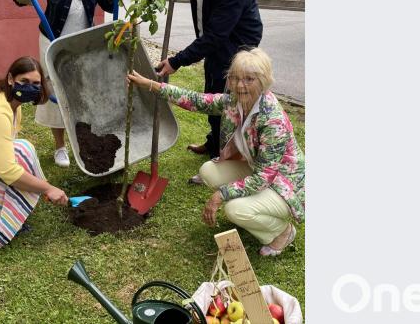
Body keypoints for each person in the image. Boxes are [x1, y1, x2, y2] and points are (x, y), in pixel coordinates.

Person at [128, 48, 304, 256]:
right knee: (208, 171)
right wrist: (151, 85)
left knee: (234, 210)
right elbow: (196, 100)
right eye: (235, 78)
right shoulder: (235, 102)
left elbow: (262, 179)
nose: (240, 85)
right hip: (258, 170)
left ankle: (282, 231)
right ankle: (255, 209)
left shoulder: (272, 121)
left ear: (264, 81)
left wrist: (221, 194)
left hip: (285, 185)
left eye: (249, 79)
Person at [161, 0, 263, 162]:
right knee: (212, 86)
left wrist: (176, 61)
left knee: (226, 98)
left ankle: (226, 156)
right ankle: (213, 141)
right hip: (215, 36)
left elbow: (215, 37)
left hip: (237, 44)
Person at [12, 0, 116, 168]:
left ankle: (83, 138)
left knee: (82, 92)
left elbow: (110, 6)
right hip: (53, 41)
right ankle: (60, 147)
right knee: (54, 92)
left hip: (81, 44)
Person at [0, 56, 69, 263]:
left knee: (22, 151)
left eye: (36, 84)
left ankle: (10, 214)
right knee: (20, 155)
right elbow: (6, 171)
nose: (30, 88)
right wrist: (47, 188)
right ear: (11, 79)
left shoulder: (14, 105)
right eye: (24, 82)